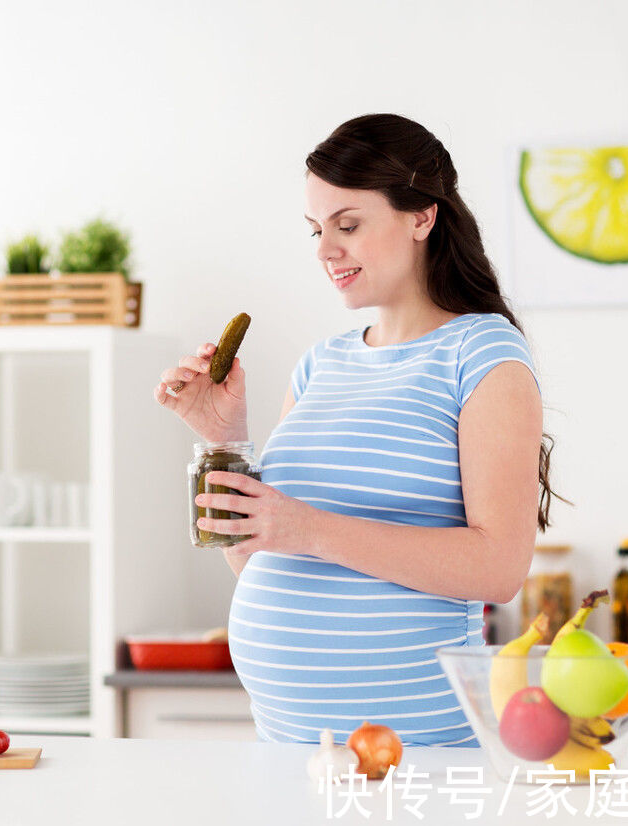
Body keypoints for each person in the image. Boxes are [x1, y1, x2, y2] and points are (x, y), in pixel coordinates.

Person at [153, 113, 567, 747]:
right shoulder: (322, 363)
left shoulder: (482, 354)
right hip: (291, 749)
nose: (324, 250)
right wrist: (224, 439)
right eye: (317, 230)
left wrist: (308, 527)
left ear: (421, 217)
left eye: (348, 225)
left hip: (418, 752)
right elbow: (259, 558)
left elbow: (498, 566)